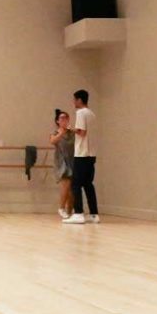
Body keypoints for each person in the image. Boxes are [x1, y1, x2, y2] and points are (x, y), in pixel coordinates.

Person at [63, 89, 99, 225]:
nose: (73, 102)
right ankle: (94, 214)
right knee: (88, 184)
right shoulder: (92, 114)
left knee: (76, 184)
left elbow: (81, 132)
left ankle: (78, 213)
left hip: (82, 153)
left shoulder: (80, 113)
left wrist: (69, 128)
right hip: (91, 154)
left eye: (74, 100)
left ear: (79, 100)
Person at [50, 109, 74, 219]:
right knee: (66, 184)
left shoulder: (72, 133)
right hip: (62, 163)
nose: (64, 120)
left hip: (73, 162)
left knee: (71, 189)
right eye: (62, 118)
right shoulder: (55, 133)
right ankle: (61, 208)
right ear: (58, 121)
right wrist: (61, 132)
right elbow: (52, 141)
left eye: (66, 118)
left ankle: (70, 211)